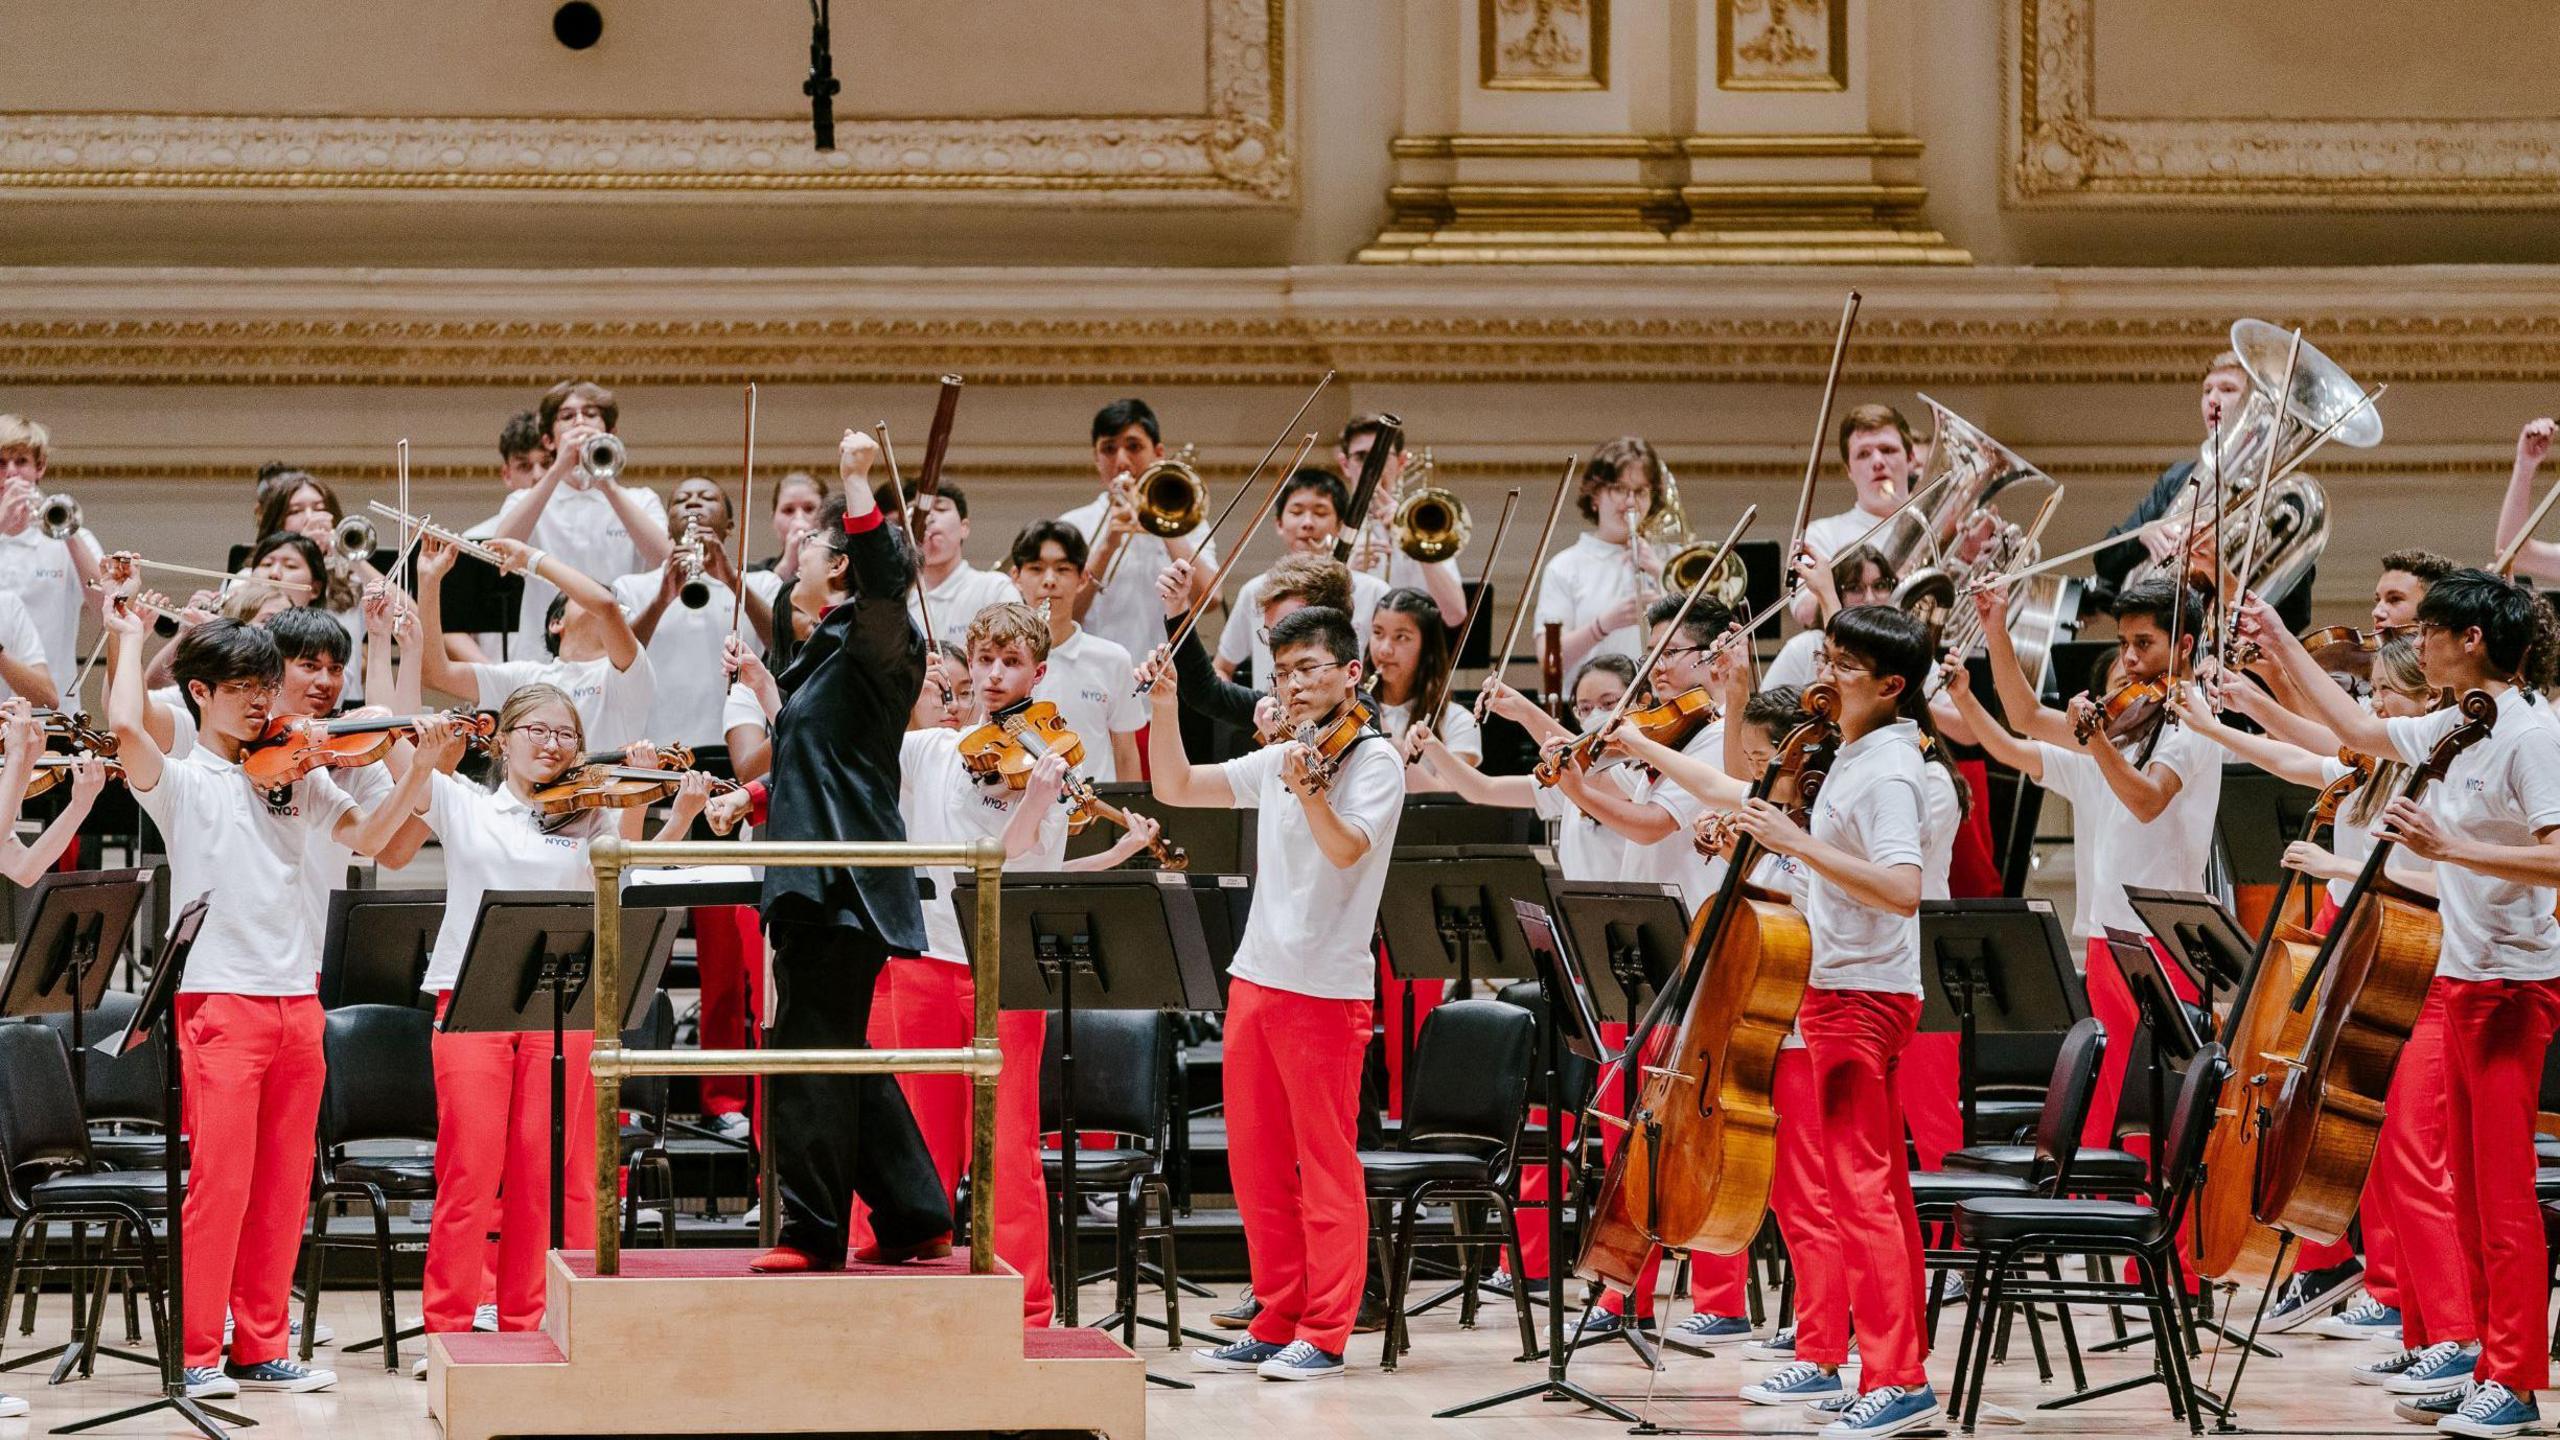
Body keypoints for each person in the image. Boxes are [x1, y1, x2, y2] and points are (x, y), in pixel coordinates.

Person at [2240, 572, 2560, 1436]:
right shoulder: (2459, 724)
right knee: (2465, 1197)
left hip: (2512, 988)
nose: (2417, 643)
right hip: (2458, 981)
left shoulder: (2532, 737)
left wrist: (2449, 845)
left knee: (2502, 1197)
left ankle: (2517, 1379)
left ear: (2474, 642)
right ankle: (2488, 1363)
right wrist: (2275, 641)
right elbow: (2354, 728)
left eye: (2433, 631)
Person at [102, 603, 425, 1401]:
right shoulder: (180, 781)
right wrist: (128, 630)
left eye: (266, 686)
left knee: (285, 1185)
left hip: (297, 1001)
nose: (261, 701)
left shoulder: (298, 772)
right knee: (222, 1186)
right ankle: (199, 1351)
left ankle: (261, 1345)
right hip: (221, 1001)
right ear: (201, 693)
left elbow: (376, 838)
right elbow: (122, 723)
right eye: (244, 686)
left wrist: (422, 768)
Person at [866, 602, 1163, 1326]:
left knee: (1007, 1144)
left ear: (1038, 672)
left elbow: (1014, 868)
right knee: (919, 1139)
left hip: (1005, 970)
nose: (995, 676)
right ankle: (909, 1299)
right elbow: (852, 749)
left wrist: (1036, 799)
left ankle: (1026, 1307)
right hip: (925, 959)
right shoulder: (933, 747)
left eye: (1010, 664)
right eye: (985, 662)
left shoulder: (1052, 769)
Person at [701, 431, 953, 1275]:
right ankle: (917, 1211)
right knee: (834, 1044)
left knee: (809, 1047)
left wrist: (856, 478)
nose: (796, 554)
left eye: (811, 545)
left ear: (840, 566)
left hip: (843, 877)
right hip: (815, 872)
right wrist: (767, 738)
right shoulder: (823, 655)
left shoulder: (882, 633)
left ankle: (812, 1232)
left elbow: (889, 575)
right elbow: (819, 760)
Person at [397, 688, 706, 1374]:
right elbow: (401, 759)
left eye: (567, 733)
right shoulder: (465, 802)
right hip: (469, 998)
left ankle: (527, 1323)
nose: (553, 744)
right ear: (501, 739)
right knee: (470, 1171)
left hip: (560, 1003)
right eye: (536, 729)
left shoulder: (592, 817)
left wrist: (670, 809)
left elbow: (632, 882)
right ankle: (447, 1327)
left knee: (542, 1172)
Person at [1152, 606, 1403, 1381]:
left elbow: (1346, 847)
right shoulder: (1288, 753)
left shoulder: (1374, 760)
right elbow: (1177, 784)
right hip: (1256, 977)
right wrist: (1164, 708)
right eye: (1283, 672)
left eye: (1309, 669)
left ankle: (1325, 1331)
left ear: (1351, 674)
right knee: (1257, 1163)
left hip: (1324, 988)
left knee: (1323, 1162)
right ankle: (1276, 1314)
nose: (1293, 685)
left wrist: (1311, 789)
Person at [2171, 640, 2441, 1339]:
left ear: (2428, 702)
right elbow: (2296, 760)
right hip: (2355, 960)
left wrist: (2333, 866)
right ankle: (2392, 1294)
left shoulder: (2430, 779)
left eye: (2388, 693)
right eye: (2373, 691)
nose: (2374, 705)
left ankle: (2413, 1306)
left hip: (2406, 969)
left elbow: (2443, 884)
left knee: (2403, 1152)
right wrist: (2212, 727)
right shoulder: (2377, 770)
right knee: (2370, 1151)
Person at [1945, 575, 2222, 1148]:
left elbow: (2147, 801)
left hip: (2161, 942)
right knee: (2105, 1104)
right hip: (2106, 934)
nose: (2129, 658)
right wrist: (1997, 630)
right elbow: (2023, 717)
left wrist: (2095, 739)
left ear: (2186, 646)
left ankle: (2153, 1231)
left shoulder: (2192, 722)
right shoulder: (2127, 723)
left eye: (2143, 643)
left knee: (2153, 1111)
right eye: (2123, 643)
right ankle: (2103, 1226)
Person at [417, 534, 657, 753]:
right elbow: (437, 674)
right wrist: (429, 581)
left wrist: (530, 557)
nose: (595, 600)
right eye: (583, 598)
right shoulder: (526, 676)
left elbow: (605, 606)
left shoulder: (627, 671)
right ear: (556, 622)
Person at [489, 380, 673, 657]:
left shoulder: (640, 499)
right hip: (543, 654)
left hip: (618, 651)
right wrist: (558, 468)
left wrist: (606, 483)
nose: (579, 422)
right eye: (567, 416)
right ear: (549, 440)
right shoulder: (523, 499)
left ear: (610, 431)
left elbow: (664, 560)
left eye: (590, 414)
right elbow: (500, 550)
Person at [612, 476, 770, 747]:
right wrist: (661, 600)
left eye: (707, 498)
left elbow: (783, 644)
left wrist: (732, 580)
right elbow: (615, 664)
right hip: (655, 746)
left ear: (730, 526)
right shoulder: (630, 586)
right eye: (681, 501)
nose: (693, 502)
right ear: (667, 525)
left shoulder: (763, 583)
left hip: (738, 746)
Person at [1062, 398, 1218, 668]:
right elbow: (1062, 615)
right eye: (1109, 449)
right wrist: (1108, 546)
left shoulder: (1187, 519)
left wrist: (1163, 521)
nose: (1122, 461)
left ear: (1158, 453)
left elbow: (1211, 599)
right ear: (1097, 460)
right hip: (1093, 677)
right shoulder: (1073, 525)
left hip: (1166, 678)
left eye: (1134, 447)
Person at [1215, 469, 1390, 685]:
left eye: (1320, 512)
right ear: (1279, 523)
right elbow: (1222, 668)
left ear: (1340, 526)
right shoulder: (1255, 590)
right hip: (1273, 715)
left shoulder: (1374, 591)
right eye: (1296, 512)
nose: (1307, 523)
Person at [1008, 520, 1144, 782]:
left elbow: (1126, 754)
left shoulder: (1114, 659)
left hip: (1091, 811)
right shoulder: (995, 662)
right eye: (1036, 569)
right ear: (1016, 576)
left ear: (1083, 578)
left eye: (1062, 569)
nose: (1049, 581)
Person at [1535, 437, 1667, 674]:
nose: (1630, 503)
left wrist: (1663, 574)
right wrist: (1603, 625)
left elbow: (1706, 644)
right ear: (1595, 496)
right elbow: (1549, 660)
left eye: (1640, 492)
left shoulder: (1672, 562)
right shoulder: (1565, 566)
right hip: (1589, 708)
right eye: (1619, 489)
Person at [0, 414, 105, 686]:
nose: (11, 472)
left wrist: (66, 533)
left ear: (40, 467)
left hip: (53, 713)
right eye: (0, 463)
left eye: (21, 461)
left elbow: (107, 610)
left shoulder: (74, 538)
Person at [1794, 405, 1921, 627]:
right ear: (1849, 470)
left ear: (1910, 458)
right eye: (1863, 454)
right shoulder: (1823, 534)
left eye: (1888, 450)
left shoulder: (1937, 529)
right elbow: (1804, 611)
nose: (1878, 461)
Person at [1337, 415, 1466, 624]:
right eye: (1361, 457)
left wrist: (1412, 538)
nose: (1372, 467)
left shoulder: (1424, 526)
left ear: (1401, 462)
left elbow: (1455, 615)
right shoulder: (1329, 526)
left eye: (1381, 456)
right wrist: (1347, 576)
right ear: (1344, 464)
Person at [877, 478, 1017, 646]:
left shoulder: (995, 589)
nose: (928, 517)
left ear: (964, 527)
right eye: (918, 511)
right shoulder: (895, 599)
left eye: (941, 508)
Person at [1367, 586, 1479, 789]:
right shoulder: (1346, 710)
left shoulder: (1460, 722)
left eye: (1401, 637)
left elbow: (1443, 802)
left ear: (1427, 647)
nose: (1384, 649)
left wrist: (1384, 732)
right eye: (1377, 633)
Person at [1767, 545, 1897, 691]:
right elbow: (1762, 711)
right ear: (1837, 593)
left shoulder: (1901, 644)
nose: (1870, 599)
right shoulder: (1804, 647)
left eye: (1879, 585)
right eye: (1854, 588)